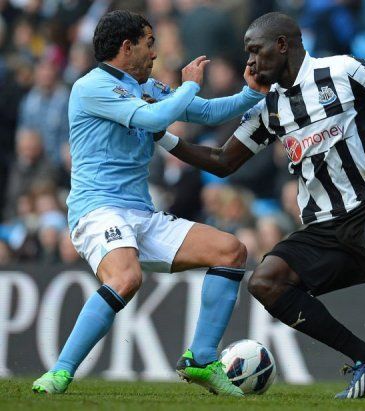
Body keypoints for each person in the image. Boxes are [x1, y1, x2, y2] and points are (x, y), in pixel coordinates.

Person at [165, 12, 365, 402]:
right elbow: (222, 160)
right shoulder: (270, 108)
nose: (249, 62)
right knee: (265, 281)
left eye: (255, 51)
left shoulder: (341, 70)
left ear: (282, 45)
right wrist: (162, 137)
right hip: (322, 225)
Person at [31, 10, 268, 396]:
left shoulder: (145, 85)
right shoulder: (91, 87)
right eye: (149, 43)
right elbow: (157, 117)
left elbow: (204, 112)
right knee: (126, 278)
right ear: (128, 47)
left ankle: (202, 359)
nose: (154, 53)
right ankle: (59, 373)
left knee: (231, 250)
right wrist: (188, 85)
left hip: (140, 213)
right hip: (98, 209)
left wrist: (250, 94)